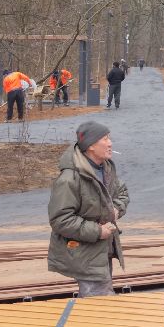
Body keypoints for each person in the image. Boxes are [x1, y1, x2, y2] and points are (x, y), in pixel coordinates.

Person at [47, 120, 127, 296]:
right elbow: (60, 220)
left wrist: (115, 209)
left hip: (102, 251)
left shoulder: (104, 169)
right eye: (105, 139)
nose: (110, 143)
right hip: (85, 255)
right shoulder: (70, 179)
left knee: (100, 302)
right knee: (99, 307)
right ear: (91, 145)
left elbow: (122, 193)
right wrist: (97, 231)